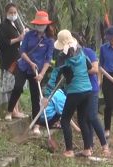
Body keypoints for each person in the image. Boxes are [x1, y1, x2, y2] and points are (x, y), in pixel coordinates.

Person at [43, 30, 93, 158]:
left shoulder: (62, 57)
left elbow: (54, 76)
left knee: (65, 119)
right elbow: (88, 66)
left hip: (75, 91)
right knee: (82, 119)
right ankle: (87, 149)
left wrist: (46, 95)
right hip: (87, 89)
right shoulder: (80, 50)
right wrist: (72, 71)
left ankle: (69, 150)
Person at [8, 10, 54, 135]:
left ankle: (36, 125)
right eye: (38, 24)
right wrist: (30, 62)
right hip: (24, 66)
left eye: (42, 24)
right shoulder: (29, 35)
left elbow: (48, 59)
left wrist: (42, 74)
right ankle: (9, 111)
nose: (40, 26)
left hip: (37, 71)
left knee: (35, 98)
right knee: (17, 87)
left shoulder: (49, 40)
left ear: (46, 25)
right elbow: (22, 52)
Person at [74, 32, 110, 157]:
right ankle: (87, 148)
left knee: (92, 116)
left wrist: (78, 70)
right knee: (82, 119)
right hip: (78, 90)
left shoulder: (87, 52)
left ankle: (105, 146)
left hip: (91, 88)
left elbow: (95, 69)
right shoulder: (69, 55)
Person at [0, 3, 28, 120]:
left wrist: (23, 36)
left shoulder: (14, 24)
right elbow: (3, 43)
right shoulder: (2, 26)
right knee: (11, 86)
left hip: (17, 58)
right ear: (6, 13)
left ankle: (17, 109)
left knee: (17, 85)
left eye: (15, 12)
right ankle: (13, 111)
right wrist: (19, 38)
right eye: (11, 12)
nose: (13, 14)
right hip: (9, 61)